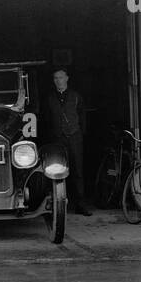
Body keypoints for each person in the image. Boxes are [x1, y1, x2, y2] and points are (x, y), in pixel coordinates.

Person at [46, 67, 89, 215]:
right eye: (55, 78)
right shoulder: (50, 98)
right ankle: (59, 206)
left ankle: (81, 204)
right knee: (57, 170)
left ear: (67, 78)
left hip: (75, 137)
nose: (58, 80)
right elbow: (46, 119)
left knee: (78, 170)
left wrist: (81, 133)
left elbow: (82, 115)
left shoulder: (76, 96)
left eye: (61, 77)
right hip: (58, 139)